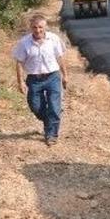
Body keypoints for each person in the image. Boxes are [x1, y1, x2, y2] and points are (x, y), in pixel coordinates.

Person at [13, 14, 68, 146]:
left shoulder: (53, 39)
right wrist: (20, 82)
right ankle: (50, 120)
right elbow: (19, 63)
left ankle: (51, 135)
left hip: (53, 77)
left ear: (45, 27)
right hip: (34, 79)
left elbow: (60, 57)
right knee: (35, 106)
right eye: (35, 27)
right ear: (30, 27)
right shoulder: (24, 43)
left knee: (54, 107)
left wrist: (65, 75)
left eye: (40, 27)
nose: (38, 30)